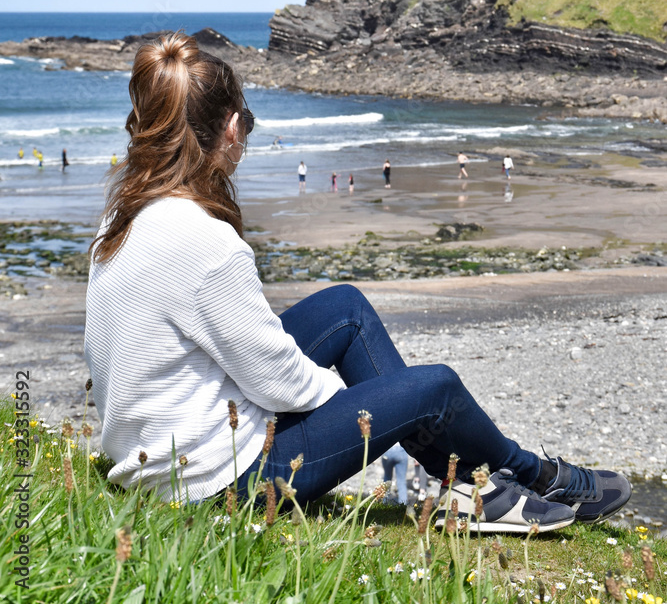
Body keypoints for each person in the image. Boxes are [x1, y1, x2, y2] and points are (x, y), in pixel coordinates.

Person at [84, 33, 632, 533]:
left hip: (152, 456)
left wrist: (375, 405)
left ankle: (470, 486)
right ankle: (523, 477)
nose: (245, 135)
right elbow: (278, 386)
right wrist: (375, 407)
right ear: (229, 129)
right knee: (433, 388)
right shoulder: (207, 243)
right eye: (246, 122)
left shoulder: (122, 220)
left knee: (345, 308)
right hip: (218, 483)